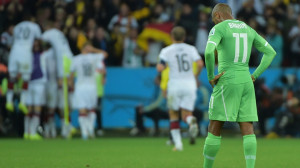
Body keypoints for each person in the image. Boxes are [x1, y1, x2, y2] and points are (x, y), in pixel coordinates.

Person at [203, 3, 276, 168]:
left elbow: (208, 52)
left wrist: (210, 76)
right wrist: (255, 75)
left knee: (215, 125)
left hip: (227, 78)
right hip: (246, 80)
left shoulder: (219, 28)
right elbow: (271, 52)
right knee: (248, 128)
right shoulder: (247, 28)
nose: (214, 23)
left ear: (218, 16)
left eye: (214, 20)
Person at [156, 26, 204, 151]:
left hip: (175, 85)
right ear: (184, 37)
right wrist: (195, 76)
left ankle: (178, 145)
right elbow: (200, 64)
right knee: (186, 114)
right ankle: (190, 120)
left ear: (171, 37)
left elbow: (160, 66)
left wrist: (162, 67)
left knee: (173, 114)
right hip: (189, 84)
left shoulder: (166, 51)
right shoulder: (191, 49)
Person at [41, 21, 74, 138]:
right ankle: (62, 129)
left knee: (61, 103)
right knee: (61, 103)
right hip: (69, 58)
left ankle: (65, 128)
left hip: (62, 61)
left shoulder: (49, 34)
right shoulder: (59, 34)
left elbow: (40, 39)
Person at [70, 43, 107, 139]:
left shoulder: (76, 59)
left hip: (81, 87)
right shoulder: (93, 57)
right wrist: (94, 49)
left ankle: (85, 132)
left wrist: (72, 85)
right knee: (91, 109)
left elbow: (71, 73)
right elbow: (105, 54)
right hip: (91, 87)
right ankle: (89, 130)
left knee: (83, 109)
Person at [6, 18, 42, 114]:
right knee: (26, 78)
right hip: (25, 52)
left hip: (14, 52)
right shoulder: (34, 26)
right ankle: (23, 102)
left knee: (12, 77)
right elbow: (39, 38)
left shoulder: (17, 26)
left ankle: (9, 102)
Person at [25, 40, 46, 140]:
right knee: (29, 108)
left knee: (37, 108)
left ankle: (33, 132)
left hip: (40, 83)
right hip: (29, 83)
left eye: (37, 45)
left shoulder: (43, 55)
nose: (36, 46)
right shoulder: (27, 55)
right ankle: (26, 132)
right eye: (34, 45)